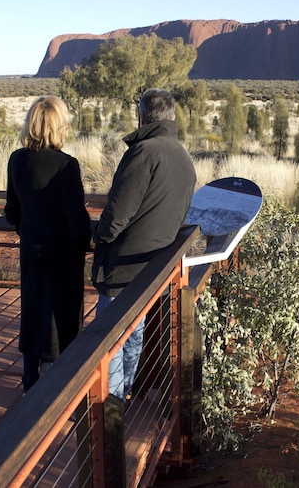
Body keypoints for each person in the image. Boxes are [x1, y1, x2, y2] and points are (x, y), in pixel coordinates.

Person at [92, 88, 196, 400]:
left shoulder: (142, 153)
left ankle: (107, 407)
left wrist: (100, 236)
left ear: (142, 117)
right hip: (155, 266)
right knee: (133, 332)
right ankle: (122, 397)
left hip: (124, 265)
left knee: (108, 340)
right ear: (172, 117)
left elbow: (118, 213)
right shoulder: (182, 156)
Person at [5, 95, 91, 393]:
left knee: (33, 314)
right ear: (59, 126)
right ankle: (56, 393)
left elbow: (12, 211)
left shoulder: (17, 159)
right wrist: (83, 246)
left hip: (31, 252)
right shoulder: (66, 166)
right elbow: (76, 221)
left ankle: (30, 384)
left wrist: (29, 233)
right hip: (62, 259)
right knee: (61, 321)